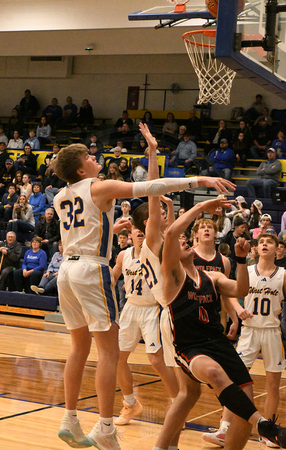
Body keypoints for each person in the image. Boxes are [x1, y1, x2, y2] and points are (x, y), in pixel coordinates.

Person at [52, 126, 235, 449]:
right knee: (109, 353)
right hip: (99, 273)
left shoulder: (61, 195)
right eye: (89, 157)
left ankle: (70, 417)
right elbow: (152, 188)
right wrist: (201, 182)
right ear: (81, 169)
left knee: (78, 348)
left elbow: (83, 233)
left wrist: (109, 228)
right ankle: (106, 426)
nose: (95, 159)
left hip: (67, 268)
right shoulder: (99, 186)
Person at [153, 198, 286, 450]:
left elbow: (240, 289)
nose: (182, 241)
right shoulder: (171, 275)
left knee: (243, 403)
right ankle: (265, 425)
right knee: (212, 375)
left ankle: (252, 430)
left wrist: (241, 260)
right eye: (181, 242)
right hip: (190, 346)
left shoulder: (212, 276)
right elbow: (171, 232)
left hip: (218, 342)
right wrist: (201, 208)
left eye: (185, 240)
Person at [209, 233, 286, 448]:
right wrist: (239, 309)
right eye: (261, 242)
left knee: (273, 384)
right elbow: (230, 294)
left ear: (278, 249)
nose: (264, 244)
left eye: (269, 242)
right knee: (233, 381)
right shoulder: (248, 271)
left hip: (272, 332)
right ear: (255, 248)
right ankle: (224, 429)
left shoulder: (284, 275)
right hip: (249, 332)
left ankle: (268, 432)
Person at [112, 224, 178, 426]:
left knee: (156, 361)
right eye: (135, 230)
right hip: (130, 308)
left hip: (152, 309)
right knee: (118, 359)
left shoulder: (156, 253)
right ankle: (130, 403)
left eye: (143, 230)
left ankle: (178, 406)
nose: (139, 233)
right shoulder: (123, 256)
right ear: (129, 235)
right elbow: (113, 278)